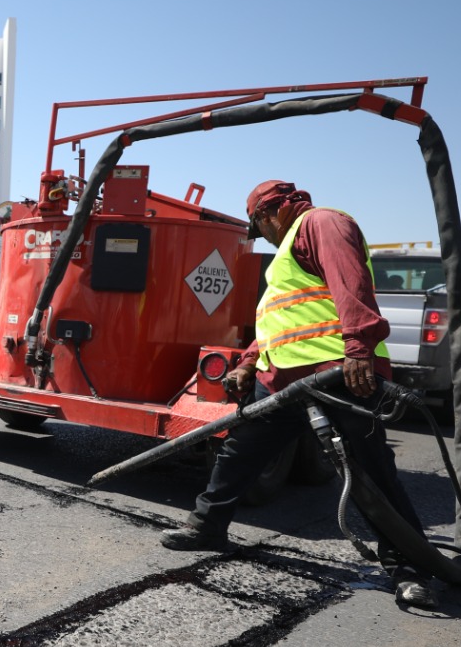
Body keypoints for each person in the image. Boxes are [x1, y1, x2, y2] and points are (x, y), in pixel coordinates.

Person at [158, 180, 438, 609]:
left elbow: (351, 283)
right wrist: (249, 361)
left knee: (370, 470)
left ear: (267, 214)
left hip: (338, 372)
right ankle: (206, 527)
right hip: (283, 377)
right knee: (241, 451)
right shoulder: (288, 251)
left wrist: (358, 348)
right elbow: (280, 319)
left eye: (259, 228)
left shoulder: (321, 223)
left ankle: (410, 568)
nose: (263, 237)